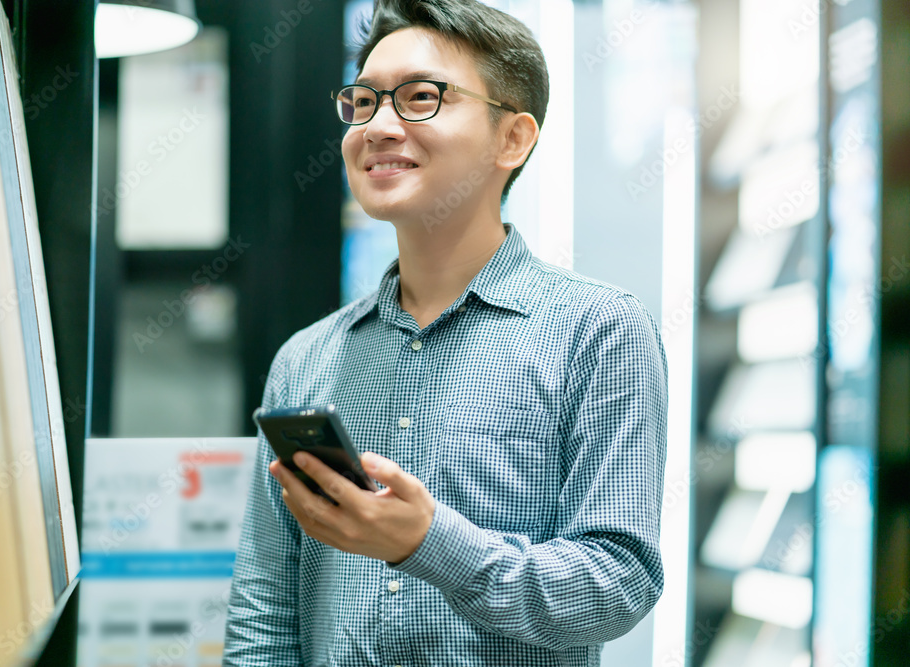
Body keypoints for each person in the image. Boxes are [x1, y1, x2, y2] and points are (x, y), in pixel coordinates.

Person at [223, 0, 667, 665]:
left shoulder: (597, 332)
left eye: (421, 98)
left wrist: (428, 541)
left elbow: (617, 584)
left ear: (512, 138)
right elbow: (265, 610)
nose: (377, 126)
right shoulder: (306, 357)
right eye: (363, 100)